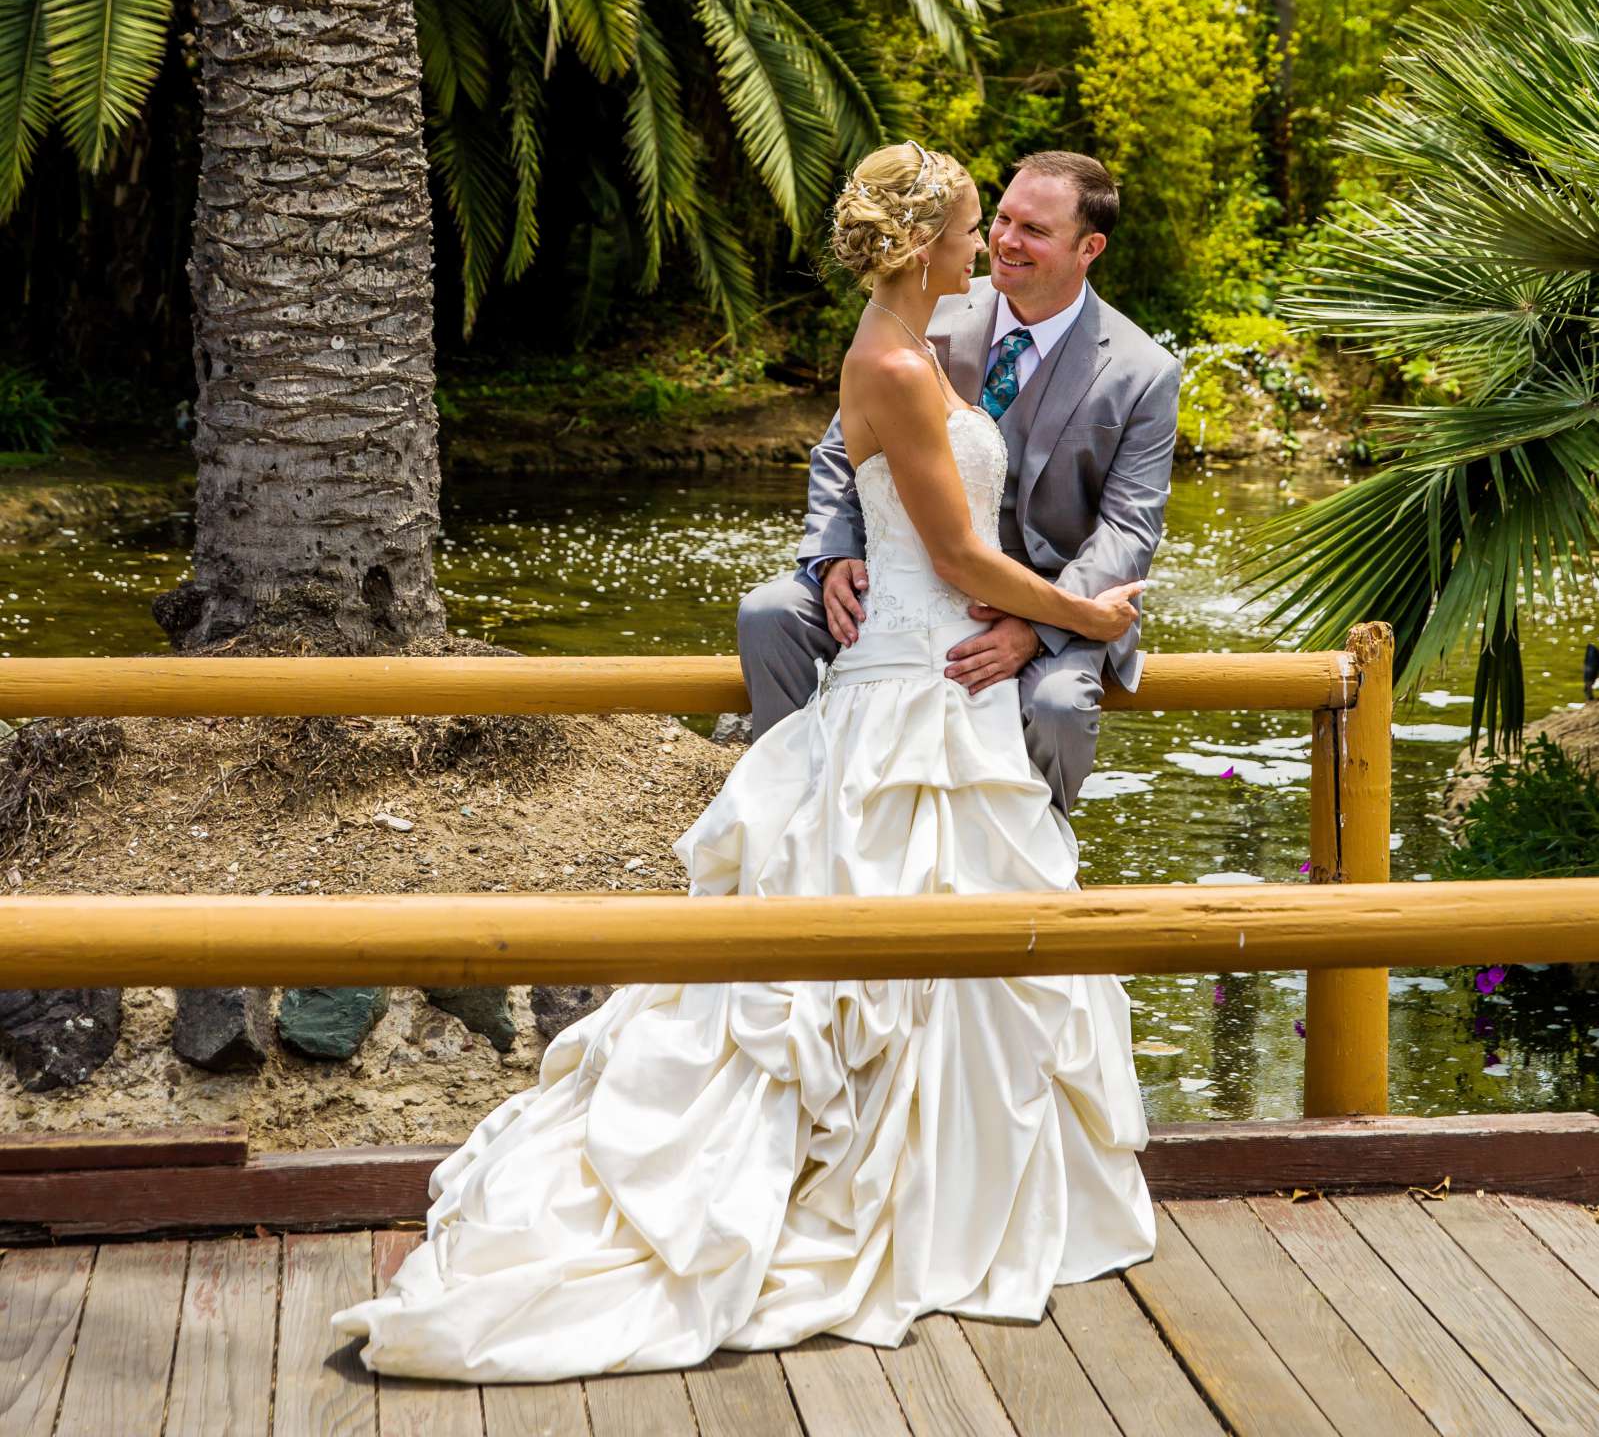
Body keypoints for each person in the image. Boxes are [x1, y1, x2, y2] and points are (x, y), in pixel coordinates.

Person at [333, 142, 1155, 1384]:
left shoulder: (974, 337)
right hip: (919, 678)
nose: (990, 248)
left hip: (963, 678)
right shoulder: (894, 352)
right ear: (922, 243)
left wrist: (1040, 623)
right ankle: (903, 1187)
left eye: (1012, 230)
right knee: (891, 921)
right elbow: (948, 540)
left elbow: (1071, 519)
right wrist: (1090, 618)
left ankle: (958, 1171)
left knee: (971, 923)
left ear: (1085, 246)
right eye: (976, 229)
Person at [740, 149, 1181, 821]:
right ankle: (791, 813)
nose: (1003, 240)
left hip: (1041, 605)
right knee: (771, 615)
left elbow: (1128, 529)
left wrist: (1041, 623)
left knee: (1057, 705)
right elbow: (840, 448)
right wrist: (834, 553)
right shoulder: (929, 303)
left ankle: (1031, 855)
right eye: (999, 218)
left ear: (1088, 247)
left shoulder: (1141, 371)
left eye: (1033, 229)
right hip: (899, 582)